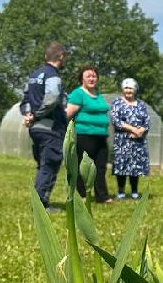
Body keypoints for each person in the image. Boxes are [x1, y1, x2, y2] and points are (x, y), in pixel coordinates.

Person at [20, 41, 68, 211]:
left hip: (35, 129)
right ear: (61, 56)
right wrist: (38, 114)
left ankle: (39, 201)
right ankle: (40, 205)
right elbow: (53, 97)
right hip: (50, 128)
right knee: (50, 164)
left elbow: (25, 98)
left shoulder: (34, 75)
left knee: (42, 164)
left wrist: (28, 115)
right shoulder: (52, 74)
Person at [66, 64, 113, 203]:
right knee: (82, 166)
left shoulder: (98, 95)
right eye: (88, 76)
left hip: (101, 136)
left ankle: (102, 196)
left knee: (101, 167)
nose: (92, 78)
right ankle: (81, 195)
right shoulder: (78, 94)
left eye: (94, 76)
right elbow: (69, 113)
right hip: (84, 135)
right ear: (82, 79)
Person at [110, 78, 150, 199]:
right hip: (122, 141)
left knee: (135, 167)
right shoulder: (117, 103)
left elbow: (147, 121)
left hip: (138, 141)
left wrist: (140, 131)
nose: (128, 91)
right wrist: (133, 129)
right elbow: (116, 120)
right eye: (126, 88)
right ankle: (121, 191)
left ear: (135, 90)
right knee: (121, 166)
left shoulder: (141, 105)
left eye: (131, 88)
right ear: (123, 89)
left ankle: (134, 191)